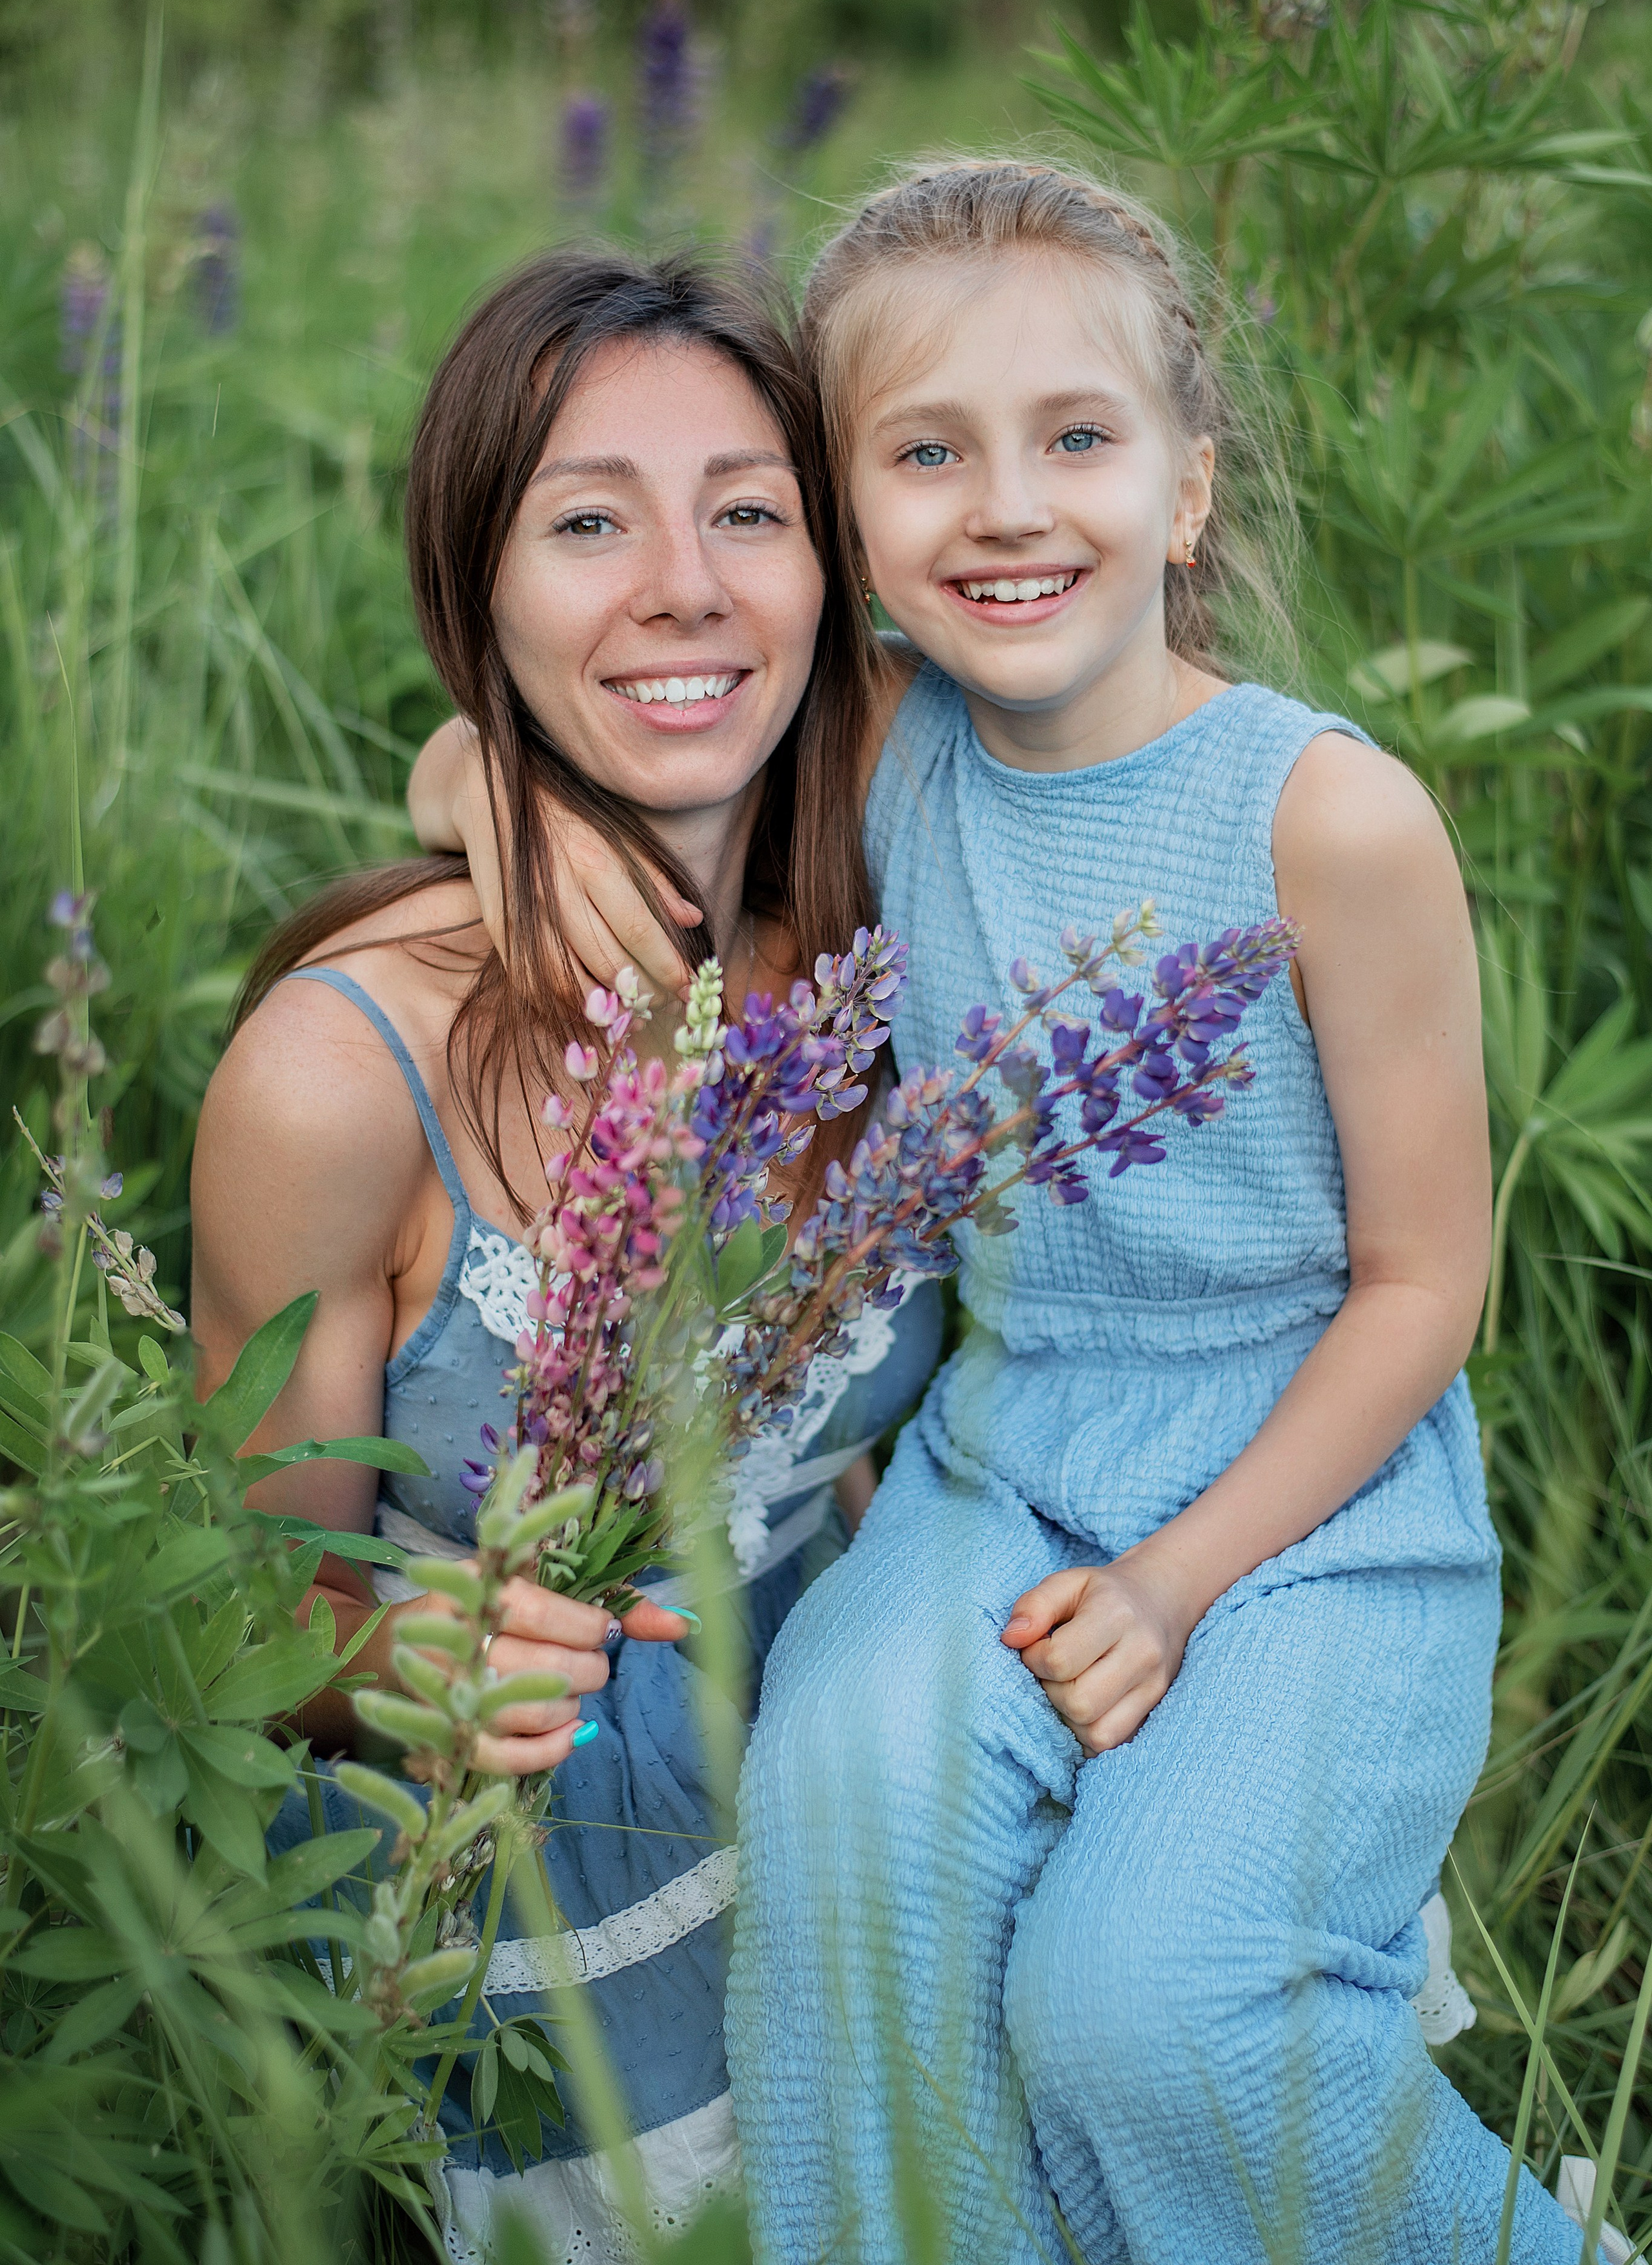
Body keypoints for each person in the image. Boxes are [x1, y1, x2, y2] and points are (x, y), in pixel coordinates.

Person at [410, 165, 1598, 2261]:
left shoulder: (1326, 816)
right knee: (846, 1844)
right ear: (851, 529)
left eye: (1078, 439)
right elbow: (514, 741)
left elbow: (1433, 1281)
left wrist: (1175, 1582)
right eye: (928, 454)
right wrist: (480, 810)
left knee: (1144, 2012)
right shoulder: (884, 741)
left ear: (1191, 487)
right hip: (997, 1463)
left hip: (1312, 1506)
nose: (1009, 506)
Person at [190, 249, 943, 2265]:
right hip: (544, 1895)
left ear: (835, 574)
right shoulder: (340, 1078)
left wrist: (489, 767)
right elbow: (239, 1625)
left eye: (750, 512)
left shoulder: (910, 877)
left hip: (887, 1783)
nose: (685, 583)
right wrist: (396, 1661)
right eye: (587, 519)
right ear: (478, 590)